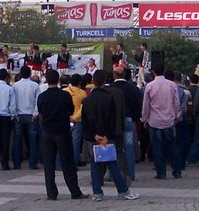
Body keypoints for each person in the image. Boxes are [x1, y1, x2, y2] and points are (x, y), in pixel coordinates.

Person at [81, 69, 137, 201]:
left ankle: (97, 192)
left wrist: (95, 135)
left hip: (92, 137)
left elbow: (85, 122)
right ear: (105, 81)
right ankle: (122, 191)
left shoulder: (87, 100)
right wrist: (106, 135)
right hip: (107, 137)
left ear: (93, 82)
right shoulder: (109, 98)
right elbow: (113, 119)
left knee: (95, 165)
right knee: (113, 164)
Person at [36, 69, 87, 200]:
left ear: (46, 80)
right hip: (62, 131)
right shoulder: (64, 95)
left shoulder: (42, 96)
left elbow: (40, 112)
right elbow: (70, 110)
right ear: (58, 80)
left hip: (47, 132)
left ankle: (51, 193)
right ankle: (75, 191)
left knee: (49, 164)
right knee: (68, 162)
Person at [140, 64, 182, 180]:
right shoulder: (172, 85)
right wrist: (174, 116)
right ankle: (177, 170)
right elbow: (176, 103)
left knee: (157, 147)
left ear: (153, 72)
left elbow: (146, 105)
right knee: (172, 145)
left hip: (154, 120)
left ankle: (161, 172)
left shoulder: (150, 86)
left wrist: (144, 119)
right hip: (169, 119)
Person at [112, 66, 143, 184]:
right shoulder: (133, 88)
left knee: (114, 148)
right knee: (129, 147)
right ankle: (130, 174)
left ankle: (114, 174)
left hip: (114, 122)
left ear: (114, 75)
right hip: (129, 120)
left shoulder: (110, 88)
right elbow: (138, 105)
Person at [11, 66, 40, 169]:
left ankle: (17, 164)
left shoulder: (15, 85)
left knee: (17, 141)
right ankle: (32, 164)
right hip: (31, 114)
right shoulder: (35, 85)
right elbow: (38, 100)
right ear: (30, 73)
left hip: (18, 115)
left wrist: (14, 113)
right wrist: (35, 113)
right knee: (33, 141)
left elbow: (12, 101)